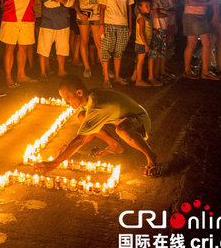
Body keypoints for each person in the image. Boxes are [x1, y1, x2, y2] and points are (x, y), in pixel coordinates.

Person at [33, 75, 161, 177]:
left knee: (122, 130)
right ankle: (115, 146)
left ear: (79, 92)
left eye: (67, 98)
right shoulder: (89, 97)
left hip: (139, 121)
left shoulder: (96, 105)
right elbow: (88, 133)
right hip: (118, 118)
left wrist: (54, 163)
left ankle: (151, 157)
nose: (66, 102)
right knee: (82, 116)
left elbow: (81, 139)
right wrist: (70, 149)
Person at [182, 0, 219, 80]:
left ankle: (204, 71)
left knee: (206, 42)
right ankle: (188, 70)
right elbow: (190, 1)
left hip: (201, 16)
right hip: (192, 16)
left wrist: (212, 8)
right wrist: (209, 3)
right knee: (192, 44)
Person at [37, 0, 74, 81]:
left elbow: (71, 3)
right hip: (48, 23)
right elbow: (48, 3)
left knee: (62, 49)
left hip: (63, 22)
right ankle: (43, 73)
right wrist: (64, 1)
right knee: (44, 49)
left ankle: (61, 70)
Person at [99, 0, 134, 88]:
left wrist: (130, 26)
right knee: (106, 51)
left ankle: (117, 76)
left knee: (119, 52)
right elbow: (102, 9)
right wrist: (101, 25)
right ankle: (106, 78)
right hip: (109, 24)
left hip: (123, 25)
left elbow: (129, 9)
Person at [74, 0, 107, 78]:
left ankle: (105, 69)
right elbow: (75, 0)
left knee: (99, 43)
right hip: (84, 14)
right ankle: (87, 68)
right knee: (84, 40)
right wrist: (79, 13)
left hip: (97, 15)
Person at [150, 0, 176, 83]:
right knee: (155, 52)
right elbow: (156, 14)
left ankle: (161, 72)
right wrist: (167, 13)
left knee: (162, 52)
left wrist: (163, 12)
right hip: (156, 28)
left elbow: (174, 11)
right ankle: (155, 74)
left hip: (164, 27)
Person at [132, 0, 157, 87]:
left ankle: (135, 78)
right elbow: (141, 33)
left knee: (140, 61)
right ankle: (139, 80)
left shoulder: (146, 17)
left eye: (149, 6)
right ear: (139, 7)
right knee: (140, 62)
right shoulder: (141, 18)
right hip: (141, 43)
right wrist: (146, 45)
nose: (148, 8)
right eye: (146, 6)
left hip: (143, 43)